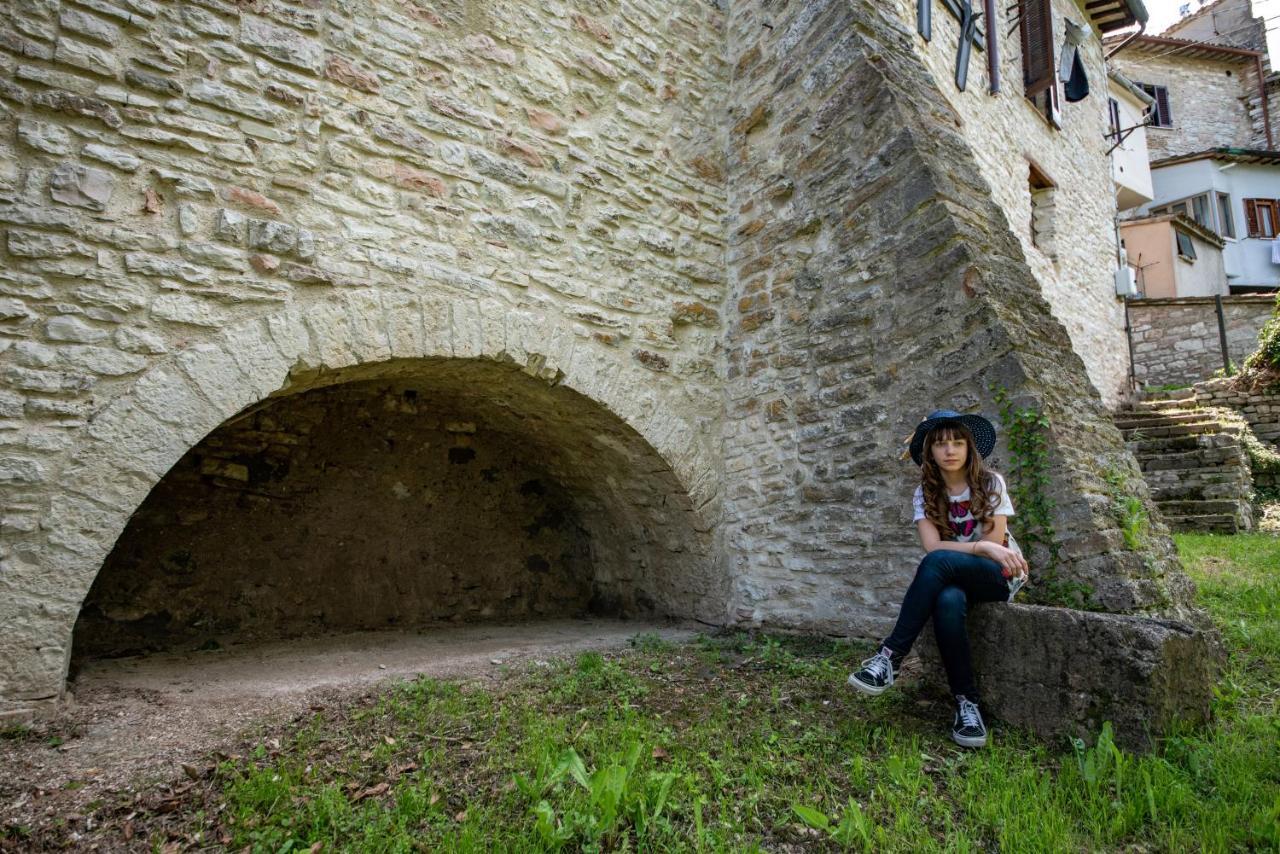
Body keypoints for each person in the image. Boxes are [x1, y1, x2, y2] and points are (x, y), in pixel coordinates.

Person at [847, 409, 1029, 748]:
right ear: (930, 451)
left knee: (940, 560)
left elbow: (992, 548)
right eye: (942, 444)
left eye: (958, 442)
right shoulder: (925, 494)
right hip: (955, 576)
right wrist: (980, 547)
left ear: (969, 448)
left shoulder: (991, 483)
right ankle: (967, 705)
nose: (950, 450)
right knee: (947, 600)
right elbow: (934, 546)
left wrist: (980, 549)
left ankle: (889, 657)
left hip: (997, 576)